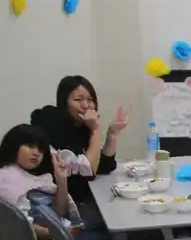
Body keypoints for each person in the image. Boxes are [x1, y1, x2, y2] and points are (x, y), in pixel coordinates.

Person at [0, 124, 112, 240]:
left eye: (40, 150)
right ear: (13, 145)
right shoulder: (5, 180)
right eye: (30, 146)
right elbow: (21, 226)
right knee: (116, 239)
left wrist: (61, 179)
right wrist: (59, 233)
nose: (36, 153)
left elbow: (59, 211)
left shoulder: (26, 176)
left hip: (58, 233)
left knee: (108, 221)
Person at [30, 75, 131, 209]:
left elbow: (104, 166)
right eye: (78, 99)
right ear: (64, 102)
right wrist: (95, 129)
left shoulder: (81, 127)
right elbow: (87, 172)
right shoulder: (52, 123)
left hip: (75, 199)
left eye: (90, 100)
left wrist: (111, 134)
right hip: (52, 205)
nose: (85, 105)